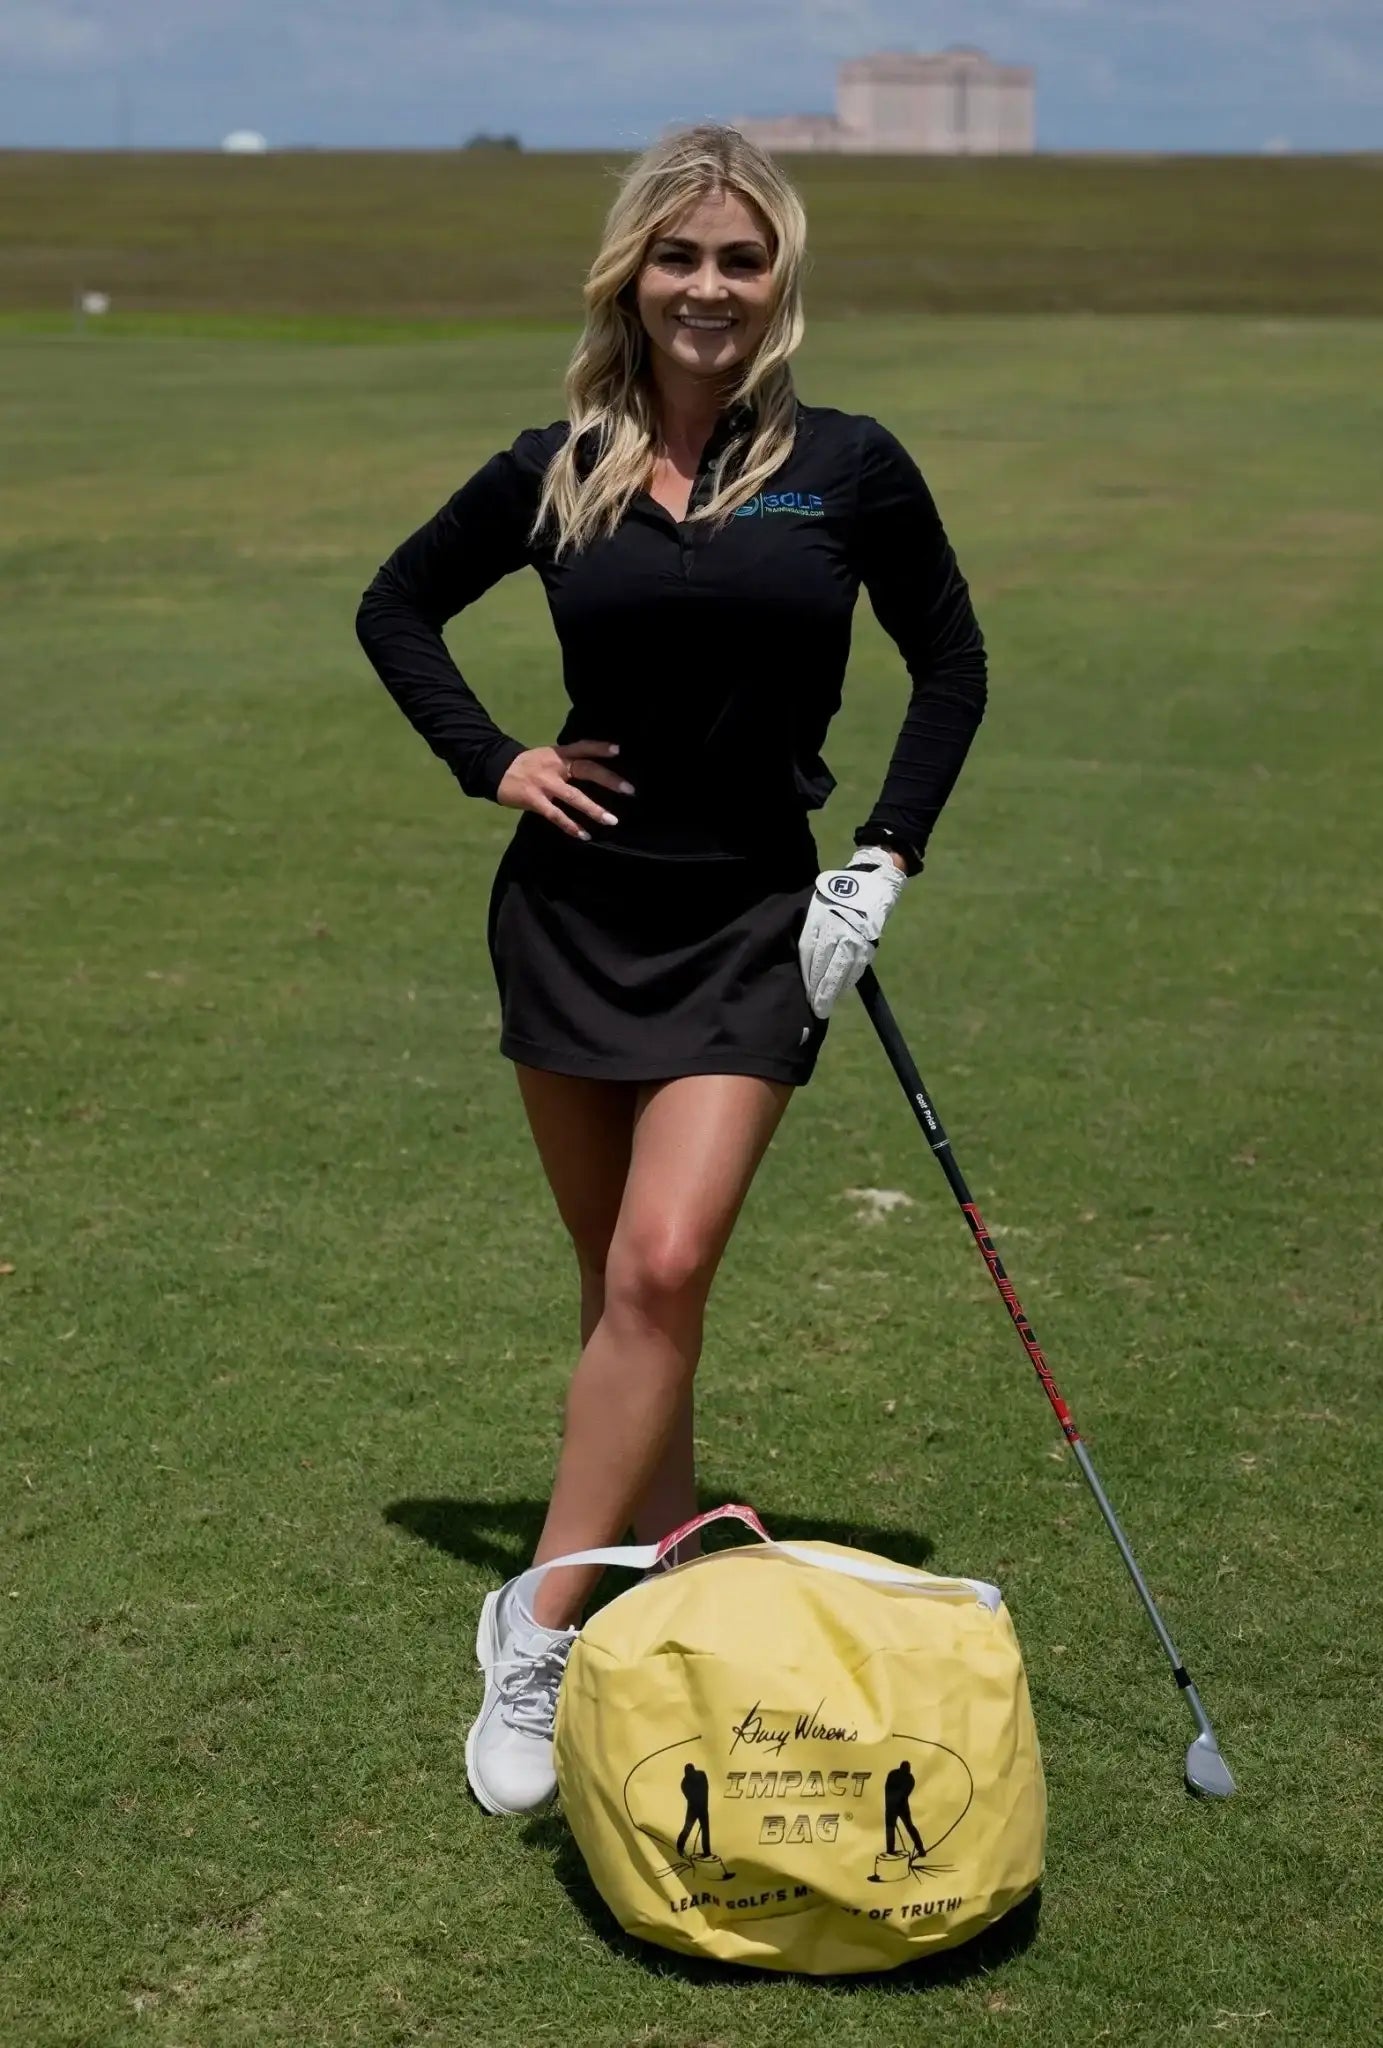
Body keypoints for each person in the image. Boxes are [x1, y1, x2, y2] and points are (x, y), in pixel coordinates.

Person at [355, 124, 987, 1817]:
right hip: (571, 915)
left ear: (780, 282)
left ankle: (541, 1617)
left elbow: (953, 663)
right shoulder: (557, 463)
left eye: (742, 259)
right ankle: (666, 1535)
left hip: (749, 931)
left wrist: (886, 854)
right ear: (630, 273)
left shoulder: (846, 465)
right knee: (626, 1284)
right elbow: (397, 608)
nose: (708, 288)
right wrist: (493, 758)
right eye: (679, 256)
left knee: (665, 1256)